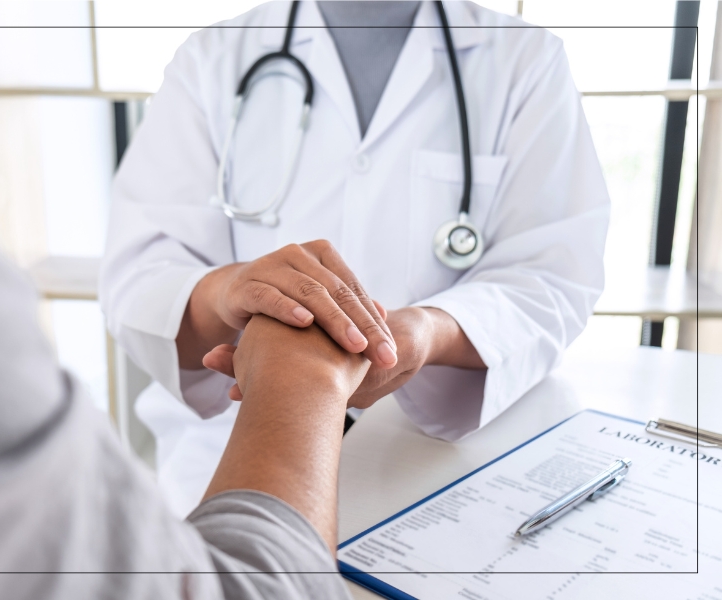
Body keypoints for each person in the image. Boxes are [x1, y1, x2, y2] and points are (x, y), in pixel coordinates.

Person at [0, 4, 368, 598]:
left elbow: (495, 278)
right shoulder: (214, 56)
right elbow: (138, 273)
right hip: (247, 477)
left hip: (421, 457)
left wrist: (439, 329)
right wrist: (297, 356)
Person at [100, 0, 611, 518]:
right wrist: (229, 290)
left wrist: (427, 332)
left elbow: (554, 276)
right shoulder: (209, 58)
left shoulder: (525, 60)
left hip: (432, 464)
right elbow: (140, 275)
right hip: (228, 454)